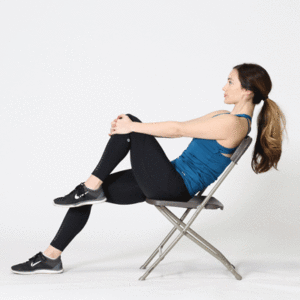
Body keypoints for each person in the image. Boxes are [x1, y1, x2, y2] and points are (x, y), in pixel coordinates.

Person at [11, 63, 287, 274]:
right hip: (167, 176)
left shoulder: (235, 124)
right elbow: (174, 126)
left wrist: (129, 128)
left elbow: (176, 130)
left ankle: (88, 187)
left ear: (247, 90)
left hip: (174, 186)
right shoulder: (221, 116)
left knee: (131, 125)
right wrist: (130, 129)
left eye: (230, 82)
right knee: (96, 190)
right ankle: (51, 256)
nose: (224, 86)